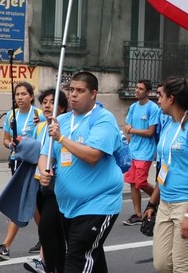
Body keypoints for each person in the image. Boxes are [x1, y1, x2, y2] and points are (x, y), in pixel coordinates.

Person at [38, 72, 124, 273]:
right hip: (68, 206)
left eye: (80, 91)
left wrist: (61, 138)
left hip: (98, 203)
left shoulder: (103, 119)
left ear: (93, 94)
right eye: (71, 90)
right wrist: (44, 171)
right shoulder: (61, 120)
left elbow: (93, 155)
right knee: (90, 256)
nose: (73, 95)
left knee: (77, 259)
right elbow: (45, 154)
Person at [146, 77, 188, 273]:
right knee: (162, 265)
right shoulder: (169, 125)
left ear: (172, 98)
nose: (158, 99)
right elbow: (165, 167)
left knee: (181, 267)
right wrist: (153, 202)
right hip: (166, 203)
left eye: (161, 95)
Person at [0, 81, 43, 261]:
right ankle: (47, 238)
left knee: (22, 200)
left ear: (31, 96)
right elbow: (6, 140)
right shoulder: (12, 116)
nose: (20, 97)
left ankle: (5, 246)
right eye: (17, 94)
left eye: (23, 94)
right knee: (32, 202)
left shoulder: (39, 115)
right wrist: (10, 144)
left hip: (34, 164)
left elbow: (43, 138)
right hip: (17, 163)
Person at [27, 88, 66, 273]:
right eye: (45, 102)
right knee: (55, 233)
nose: (48, 105)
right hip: (41, 184)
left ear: (62, 107)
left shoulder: (64, 127)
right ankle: (58, 267)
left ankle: (48, 267)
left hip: (58, 187)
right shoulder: (41, 126)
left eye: (53, 102)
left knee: (46, 228)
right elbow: (39, 153)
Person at [122, 79, 160, 226]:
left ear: (148, 92)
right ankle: (138, 214)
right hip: (133, 151)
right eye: (136, 88)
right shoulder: (133, 107)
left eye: (141, 89)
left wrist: (131, 130)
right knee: (132, 183)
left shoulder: (153, 108)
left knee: (141, 182)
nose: (137, 90)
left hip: (146, 152)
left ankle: (159, 199)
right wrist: (128, 143)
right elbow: (128, 126)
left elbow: (150, 132)